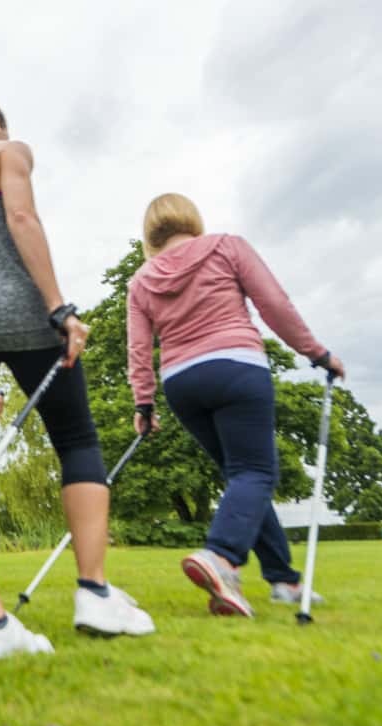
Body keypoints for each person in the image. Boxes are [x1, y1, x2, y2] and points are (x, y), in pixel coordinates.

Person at [0, 99, 155, 659]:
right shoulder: (8, 152)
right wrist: (59, 309)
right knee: (76, 439)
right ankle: (93, 591)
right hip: (21, 317)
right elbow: (22, 219)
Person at [127, 193, 345, 617]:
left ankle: (283, 579)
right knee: (255, 472)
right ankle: (221, 557)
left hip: (182, 383)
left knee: (241, 476)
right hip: (236, 366)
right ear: (192, 217)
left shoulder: (141, 280)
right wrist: (317, 354)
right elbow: (274, 305)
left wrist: (144, 403)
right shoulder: (228, 246)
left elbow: (138, 349)